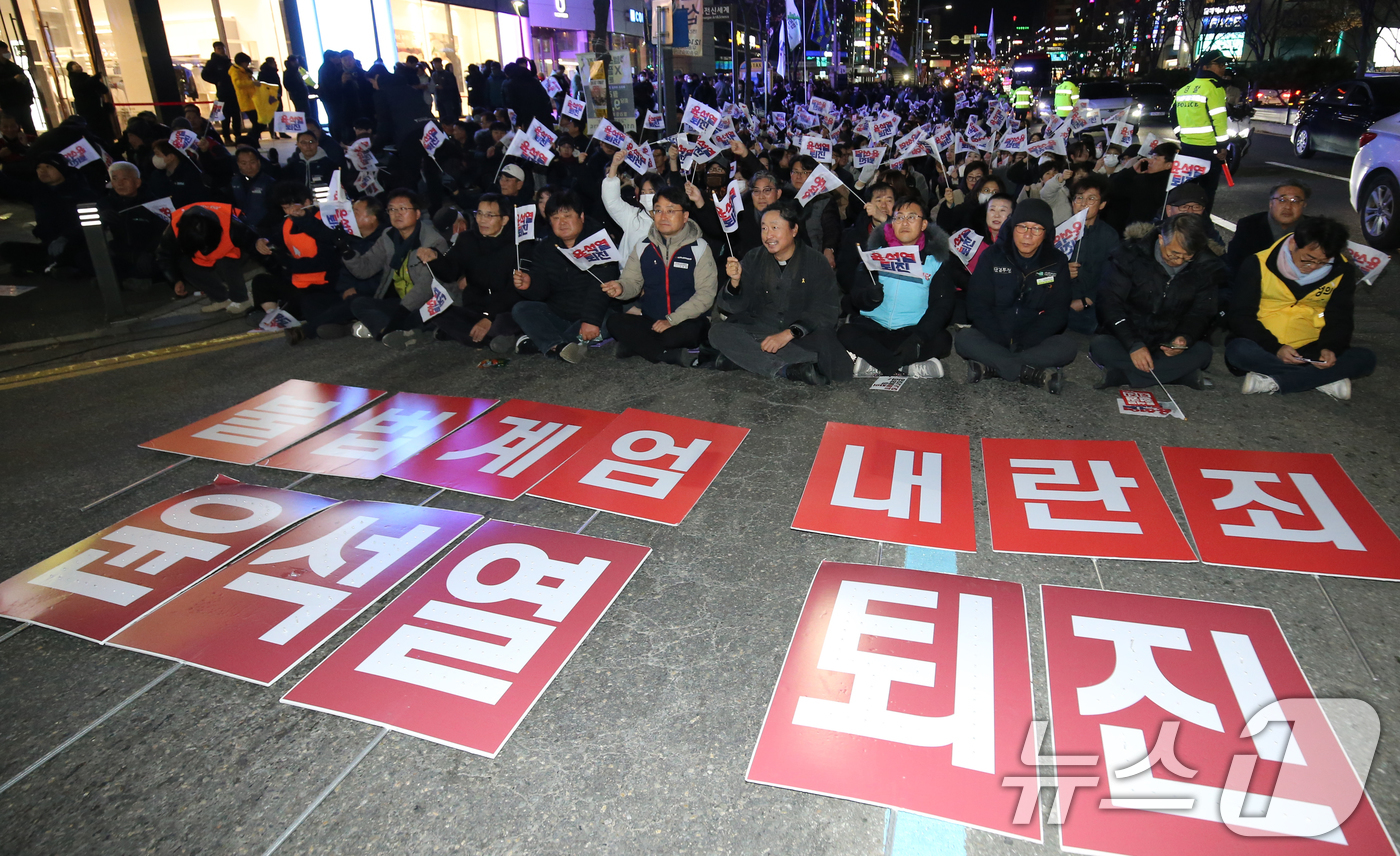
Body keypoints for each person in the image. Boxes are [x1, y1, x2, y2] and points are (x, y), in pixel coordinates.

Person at [1226, 216, 1376, 399]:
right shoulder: (1258, 263)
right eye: (1308, 259)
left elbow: (1340, 316)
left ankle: (1275, 381)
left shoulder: (1342, 271)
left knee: (1366, 358)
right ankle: (1322, 379)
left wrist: (1330, 348)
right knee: (1239, 351)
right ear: (1293, 244)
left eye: (1323, 262)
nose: (1312, 267)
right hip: (1264, 344)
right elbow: (1241, 315)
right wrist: (1276, 348)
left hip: (1312, 346)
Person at [707, 201, 851, 385]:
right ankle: (785, 370)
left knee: (823, 350)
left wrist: (788, 334)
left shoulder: (816, 261)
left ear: (794, 230)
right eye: (764, 228)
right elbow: (734, 308)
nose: (768, 235)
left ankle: (742, 359)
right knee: (718, 332)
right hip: (761, 328)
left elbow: (826, 310)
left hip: (799, 336)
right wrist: (735, 282)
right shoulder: (753, 257)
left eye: (775, 228)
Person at [954, 198, 1075, 392]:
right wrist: (1001, 341)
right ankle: (1031, 373)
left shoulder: (1056, 262)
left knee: (1067, 346)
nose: (1028, 235)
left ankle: (993, 367)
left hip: (1033, 340)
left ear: (1046, 233)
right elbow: (977, 306)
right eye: (1022, 227)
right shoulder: (992, 256)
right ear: (1012, 228)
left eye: (1036, 229)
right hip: (994, 336)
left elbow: (1058, 312)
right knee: (964, 338)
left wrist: (1024, 343)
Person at [1090, 213, 1220, 390]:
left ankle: (1122, 376)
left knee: (1203, 353)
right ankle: (1177, 376)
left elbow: (1202, 312)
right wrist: (1133, 344)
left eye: (1188, 256)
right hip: (1127, 336)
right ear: (1160, 240)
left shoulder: (1205, 266)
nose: (1179, 261)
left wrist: (1184, 337)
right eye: (1174, 254)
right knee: (1100, 346)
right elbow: (1110, 303)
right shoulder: (1129, 255)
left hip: (1167, 344)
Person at [839, 197, 955, 378]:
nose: (905, 223)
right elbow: (856, 295)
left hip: (911, 332)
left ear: (924, 224)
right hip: (875, 328)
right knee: (845, 332)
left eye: (912, 217)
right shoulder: (876, 254)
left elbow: (942, 306)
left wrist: (918, 338)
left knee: (943, 340)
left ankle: (876, 363)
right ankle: (905, 366)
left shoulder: (935, 260)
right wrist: (869, 297)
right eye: (899, 217)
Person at [604, 186, 717, 365]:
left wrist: (672, 320)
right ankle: (666, 355)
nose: (663, 216)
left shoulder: (699, 248)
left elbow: (706, 295)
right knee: (614, 322)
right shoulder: (643, 246)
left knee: (685, 333)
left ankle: (636, 346)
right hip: (651, 319)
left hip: (687, 320)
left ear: (685, 216)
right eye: (658, 210)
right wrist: (621, 288)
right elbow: (632, 281)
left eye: (670, 211)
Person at [510, 189, 619, 362]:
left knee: (611, 321)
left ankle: (546, 343)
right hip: (560, 313)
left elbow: (601, 285)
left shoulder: (599, 242)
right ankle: (560, 345)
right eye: (555, 218)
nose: (561, 223)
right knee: (521, 309)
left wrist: (590, 320)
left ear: (581, 216)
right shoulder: (545, 248)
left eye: (567, 216)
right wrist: (529, 284)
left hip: (597, 311)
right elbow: (542, 292)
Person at [340, 188, 454, 347]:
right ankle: (390, 331)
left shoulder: (433, 241)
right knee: (358, 303)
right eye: (392, 209)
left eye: (403, 209)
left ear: (417, 214)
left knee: (427, 317)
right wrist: (346, 251)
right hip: (400, 301)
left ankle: (392, 329)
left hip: (428, 302)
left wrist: (400, 314)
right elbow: (365, 269)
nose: (397, 214)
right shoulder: (388, 236)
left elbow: (425, 287)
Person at [423, 192, 528, 349]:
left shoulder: (519, 245)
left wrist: (489, 317)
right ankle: (494, 339)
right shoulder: (467, 239)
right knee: (436, 312)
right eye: (479, 214)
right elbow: (450, 273)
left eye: (489, 215)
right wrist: (434, 258)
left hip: (505, 308)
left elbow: (515, 291)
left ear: (504, 219)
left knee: (511, 319)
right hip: (475, 306)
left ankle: (477, 335)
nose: (482, 220)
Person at [252, 181, 346, 343]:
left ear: (307, 203)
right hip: (297, 281)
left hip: (322, 285)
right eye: (285, 208)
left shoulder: (324, 221)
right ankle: (274, 317)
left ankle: (289, 315)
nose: (289, 212)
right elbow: (276, 237)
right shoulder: (288, 222)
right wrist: (263, 241)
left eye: (293, 207)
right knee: (261, 281)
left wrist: (286, 263)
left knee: (307, 302)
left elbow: (325, 261)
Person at [0, 152, 100, 275]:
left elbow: (90, 224)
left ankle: (51, 266)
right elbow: (10, 186)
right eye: (39, 167)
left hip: (77, 244)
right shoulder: (39, 190)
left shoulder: (81, 191)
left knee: (82, 258)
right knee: (6, 249)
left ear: (61, 169)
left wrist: (66, 237)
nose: (42, 171)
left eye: (48, 167)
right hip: (48, 245)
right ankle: (50, 265)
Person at [155, 201, 260, 312]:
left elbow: (254, 242)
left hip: (224, 243)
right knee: (185, 265)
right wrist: (175, 280)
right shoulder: (174, 228)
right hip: (198, 247)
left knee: (226, 260)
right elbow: (163, 255)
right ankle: (221, 299)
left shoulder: (233, 223)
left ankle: (241, 299)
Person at [1172, 49, 1230, 208]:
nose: (1223, 67)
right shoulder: (1214, 87)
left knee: (1184, 191)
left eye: (1224, 64)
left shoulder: (1185, 89)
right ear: (1205, 67)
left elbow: (1172, 114)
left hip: (1187, 148)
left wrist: (1180, 135)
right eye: (1219, 64)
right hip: (1208, 150)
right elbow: (1218, 119)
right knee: (1206, 193)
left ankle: (1180, 222)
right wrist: (1222, 147)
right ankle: (1201, 224)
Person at [1065, 173, 1120, 334]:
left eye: (1091, 199)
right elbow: (1042, 275)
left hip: (1092, 304)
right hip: (1059, 300)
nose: (1083, 204)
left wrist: (1086, 300)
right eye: (1079, 198)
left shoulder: (1110, 236)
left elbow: (1112, 279)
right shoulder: (1060, 232)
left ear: (1102, 204)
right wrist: (1061, 271)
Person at [101, 160, 165, 289]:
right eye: (115, 179)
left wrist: (149, 252)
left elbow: (163, 232)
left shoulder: (153, 204)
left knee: (157, 264)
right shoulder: (106, 204)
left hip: (146, 253)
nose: (119, 183)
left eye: (125, 179)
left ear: (137, 182)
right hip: (122, 253)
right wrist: (101, 217)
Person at [1223, 181, 1309, 277]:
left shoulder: (1316, 230)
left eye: (1295, 201)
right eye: (1282, 200)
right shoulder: (1249, 225)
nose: (1288, 207)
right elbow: (1236, 265)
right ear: (1271, 203)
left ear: (1304, 205)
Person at [202, 42, 240, 138]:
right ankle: (227, 136)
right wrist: (216, 81)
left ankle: (238, 135)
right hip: (223, 93)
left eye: (222, 48)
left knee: (236, 116)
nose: (221, 50)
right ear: (215, 50)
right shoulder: (213, 63)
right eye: (219, 48)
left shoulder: (227, 61)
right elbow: (205, 75)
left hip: (233, 92)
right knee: (225, 117)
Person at [0, 43, 34, 136]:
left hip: (22, 102)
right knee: (14, 129)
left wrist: (29, 97)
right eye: (4, 50)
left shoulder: (12, 66)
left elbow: (25, 81)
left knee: (29, 128)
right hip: (9, 104)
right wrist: (13, 80)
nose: (7, 52)